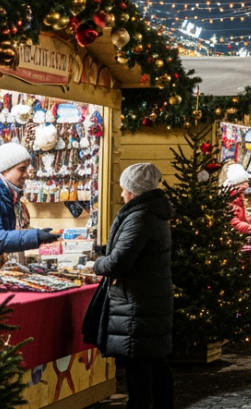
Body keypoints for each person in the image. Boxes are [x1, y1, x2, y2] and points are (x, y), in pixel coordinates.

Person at [93, 163, 174, 409]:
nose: (121, 194)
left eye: (124, 188)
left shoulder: (139, 217)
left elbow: (119, 262)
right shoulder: (153, 214)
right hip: (149, 300)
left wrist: (97, 263)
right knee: (156, 363)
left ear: (134, 190)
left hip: (137, 304)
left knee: (139, 368)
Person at [222, 163, 251, 236]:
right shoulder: (231, 198)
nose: (245, 186)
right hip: (235, 237)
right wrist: (248, 227)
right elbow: (232, 220)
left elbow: (240, 213)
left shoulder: (238, 195)